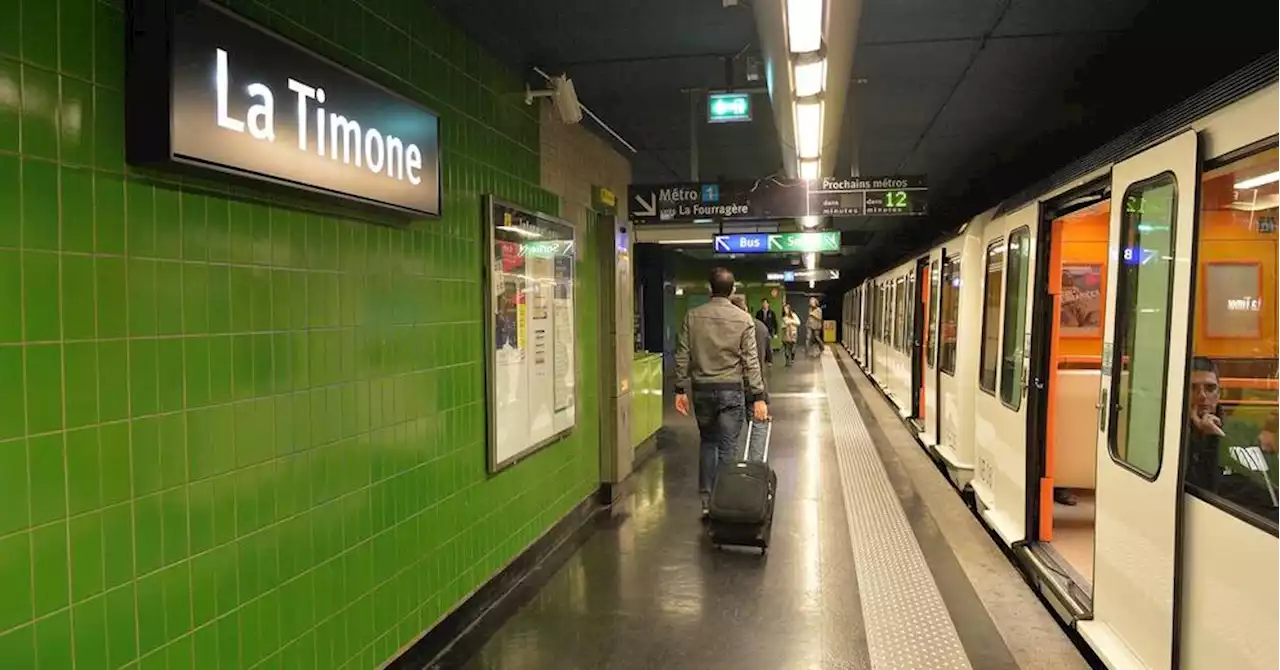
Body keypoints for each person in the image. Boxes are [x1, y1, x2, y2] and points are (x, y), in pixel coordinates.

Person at [674, 268, 769, 517]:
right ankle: (724, 502)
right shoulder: (743, 319)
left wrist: (680, 389)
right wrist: (758, 396)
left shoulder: (692, 316)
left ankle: (706, 502)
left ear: (709, 289)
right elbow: (751, 362)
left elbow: (682, 354)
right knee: (728, 448)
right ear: (733, 290)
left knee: (707, 443)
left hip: (702, 389)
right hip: (731, 391)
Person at [732, 295, 772, 462]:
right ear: (746, 308)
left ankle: (733, 472)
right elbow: (768, 357)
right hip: (756, 387)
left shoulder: (729, 327)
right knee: (758, 428)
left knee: (733, 435)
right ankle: (756, 470)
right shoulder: (761, 327)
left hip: (733, 387)